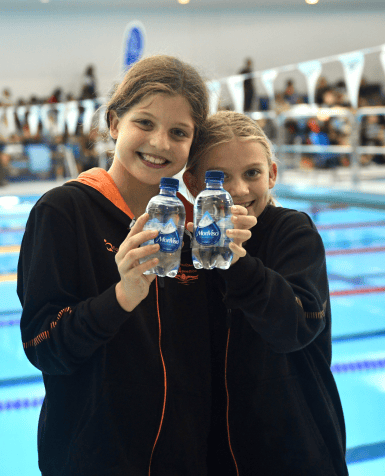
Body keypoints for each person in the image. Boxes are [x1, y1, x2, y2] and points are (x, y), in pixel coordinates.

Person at [17, 54, 254, 476]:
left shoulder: (196, 229)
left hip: (186, 458)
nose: (160, 143)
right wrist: (121, 296)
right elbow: (42, 345)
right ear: (114, 124)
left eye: (178, 132)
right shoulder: (64, 212)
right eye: (145, 123)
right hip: (92, 458)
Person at [183, 110, 349, 475]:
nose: (239, 190)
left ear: (272, 174)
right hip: (218, 451)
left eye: (252, 173)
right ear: (194, 184)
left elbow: (294, 328)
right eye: (220, 178)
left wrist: (237, 263)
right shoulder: (190, 249)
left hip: (298, 449)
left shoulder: (293, 232)